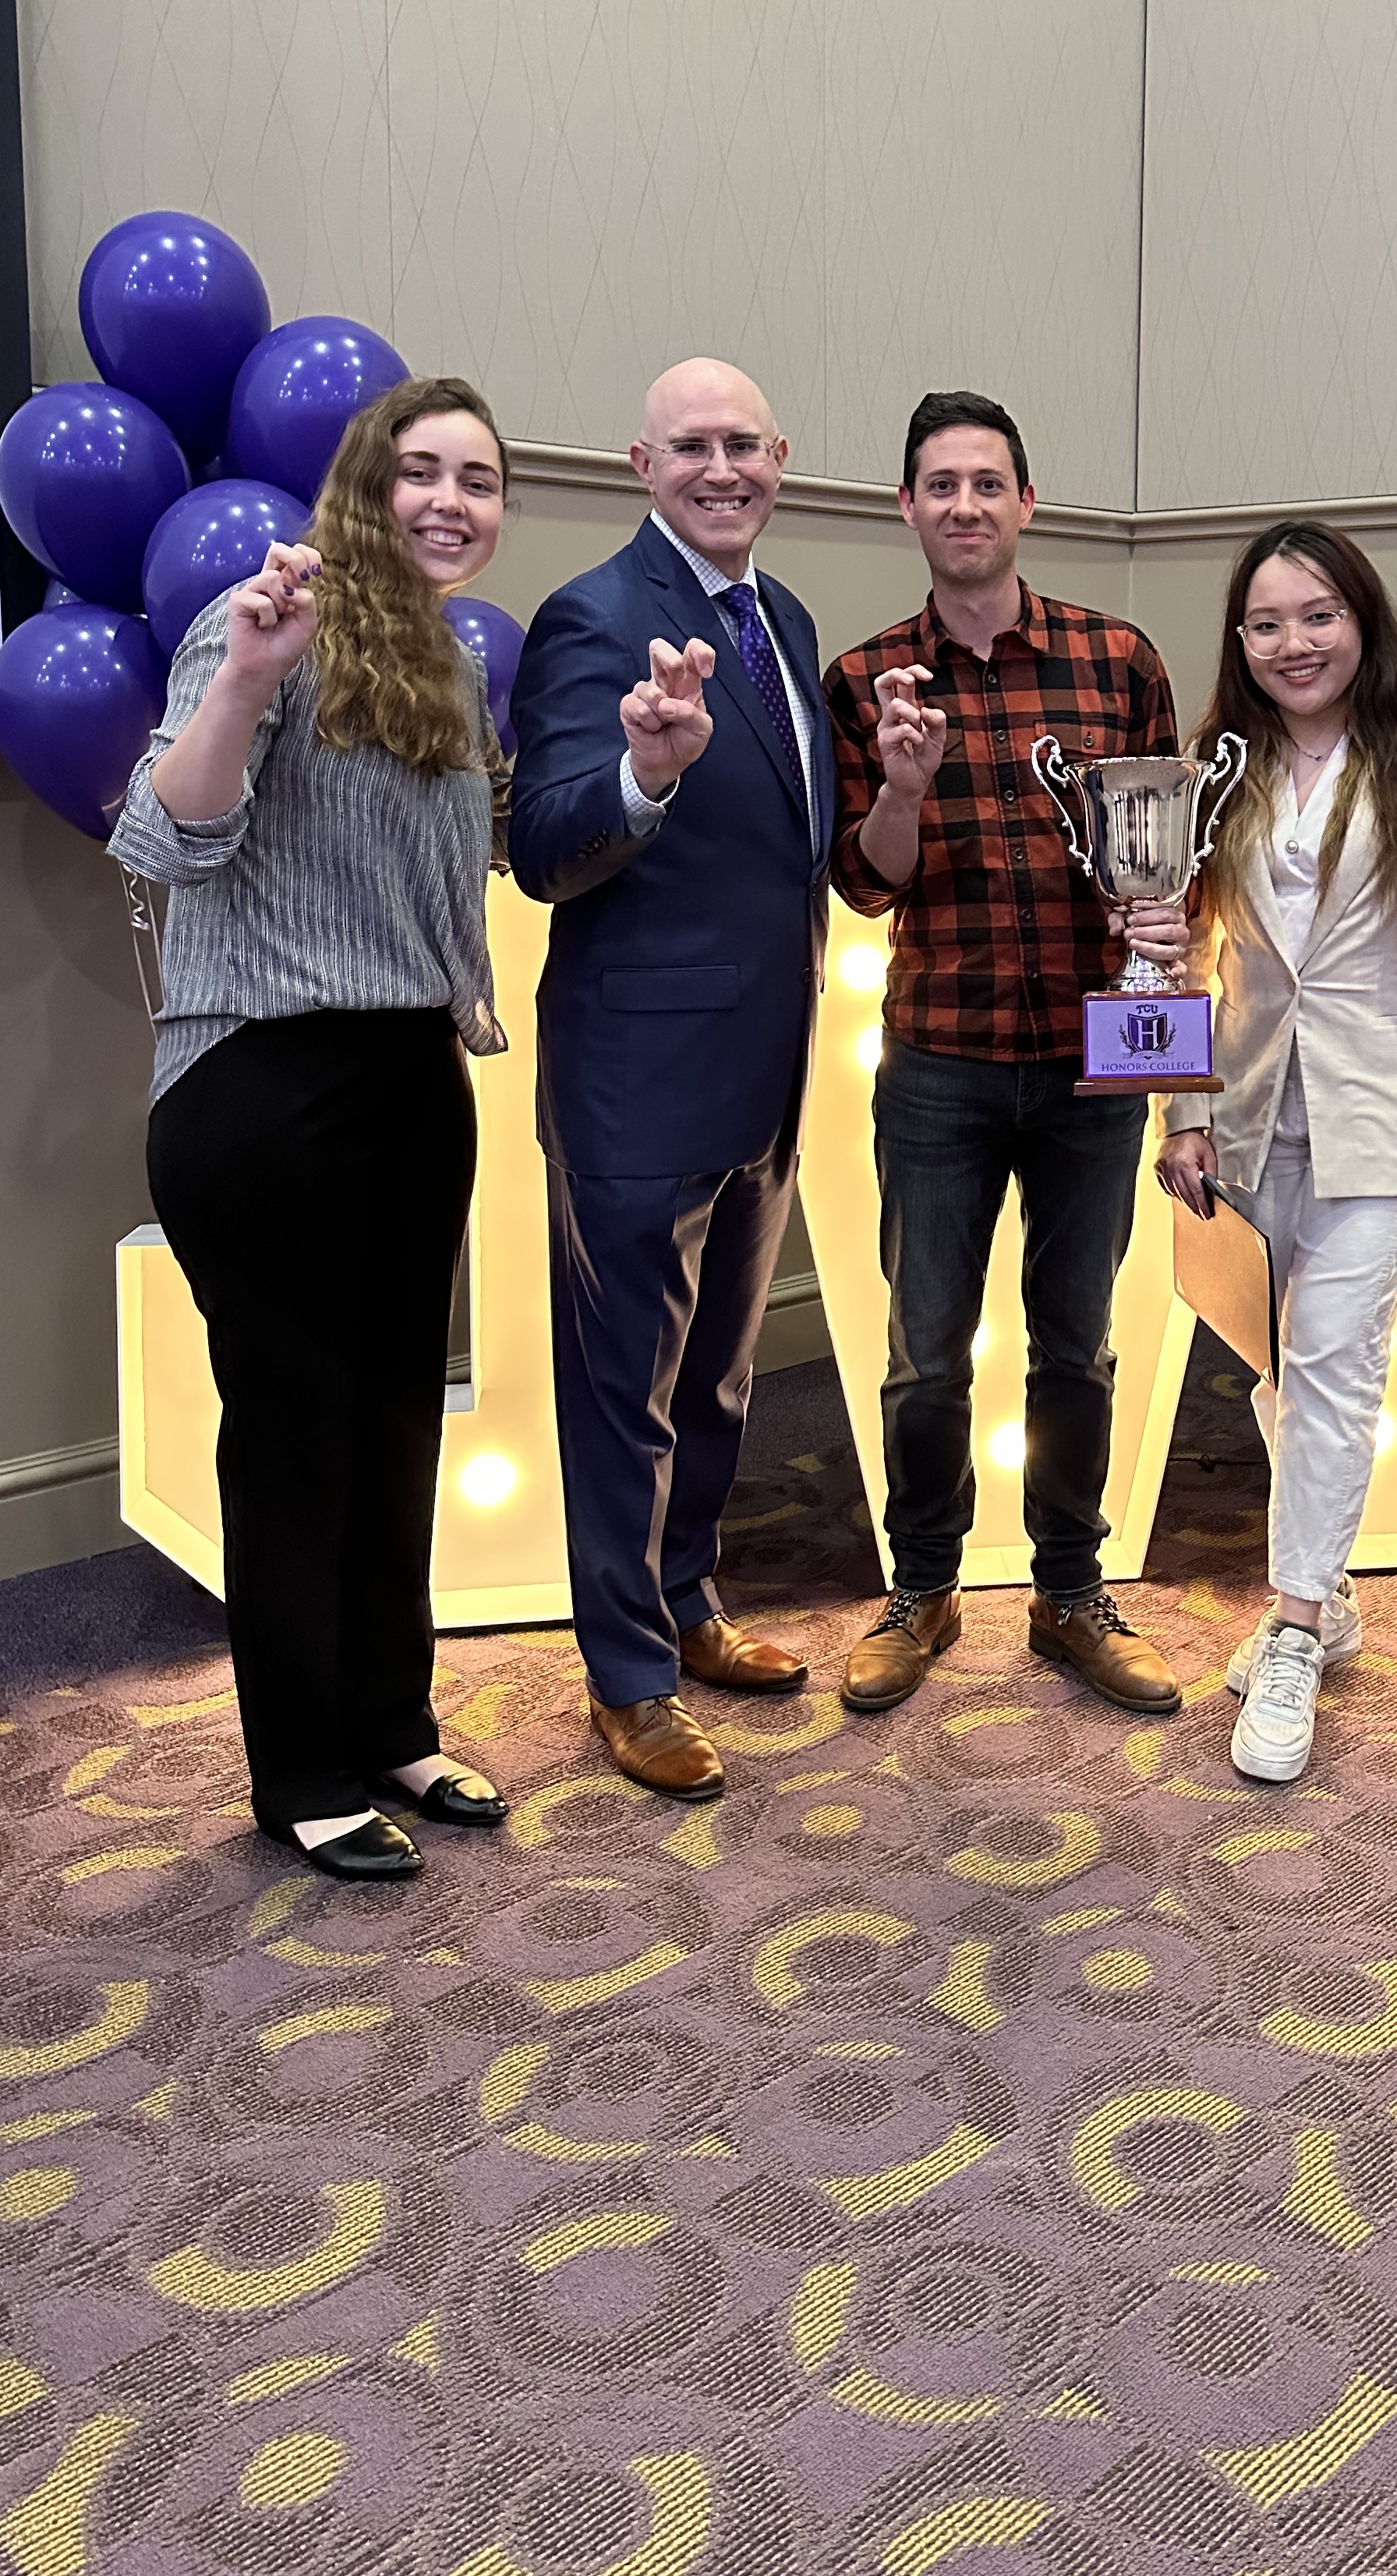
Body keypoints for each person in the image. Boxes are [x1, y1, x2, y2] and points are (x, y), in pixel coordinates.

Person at [110, 379, 518, 1881]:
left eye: (477, 480)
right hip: (263, 1085)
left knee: (398, 1417)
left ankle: (392, 1725)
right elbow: (168, 834)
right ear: (362, 484)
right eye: (419, 473)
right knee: (292, 1438)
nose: (449, 503)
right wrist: (241, 681)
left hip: (414, 1075)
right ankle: (300, 1770)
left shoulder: (453, 666)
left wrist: (644, 778)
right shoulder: (257, 618)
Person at [823, 390, 1189, 1716]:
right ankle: (920, 1590)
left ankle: (1070, 1592)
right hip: (941, 1064)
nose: (965, 505)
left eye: (989, 483)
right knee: (927, 1347)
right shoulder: (869, 681)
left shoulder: (1115, 657)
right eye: (941, 485)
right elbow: (867, 887)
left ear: (1027, 504)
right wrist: (906, 790)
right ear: (907, 507)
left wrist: (1158, 920)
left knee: (1077, 1345)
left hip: (1095, 1058)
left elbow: (1164, 859)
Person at [1155, 525, 1397, 1781]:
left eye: (1316, 616)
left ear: (1360, 621)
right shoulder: (1219, 770)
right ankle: (1334, 1588)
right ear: (1241, 642)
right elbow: (1188, 960)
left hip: (1382, 1113)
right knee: (1275, 1363)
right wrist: (1182, 1111)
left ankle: (1298, 1627)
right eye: (1266, 625)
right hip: (1256, 1107)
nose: (1292, 644)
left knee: (1333, 1363)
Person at [508, 359, 830, 1802]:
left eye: (744, 445)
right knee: (623, 1391)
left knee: (717, 1378)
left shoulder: (784, 617)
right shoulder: (592, 617)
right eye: (691, 447)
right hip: (637, 1073)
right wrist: (640, 777)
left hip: (765, 1074)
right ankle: (627, 1675)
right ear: (641, 464)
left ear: (780, 459)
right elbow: (546, 848)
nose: (723, 469)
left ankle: (690, 1605)